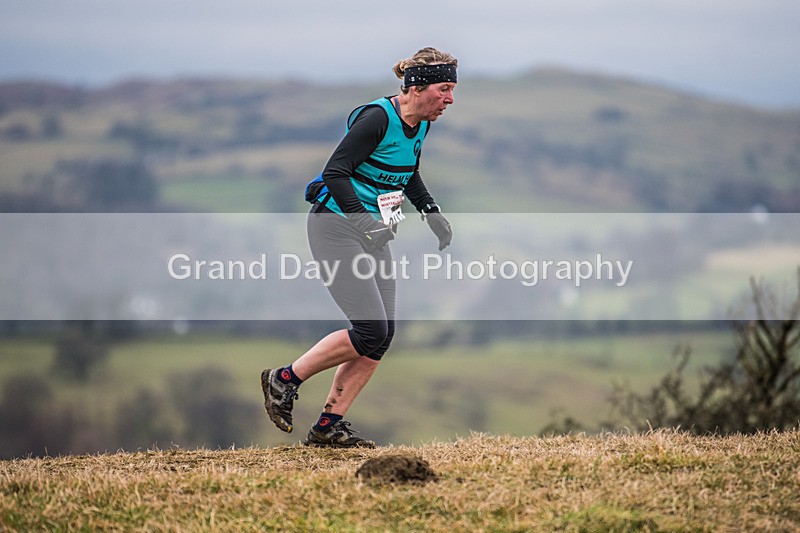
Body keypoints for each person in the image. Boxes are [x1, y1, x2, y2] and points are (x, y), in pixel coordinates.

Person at [261, 47, 457, 448]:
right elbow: (335, 172)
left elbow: (407, 172)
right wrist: (365, 223)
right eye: (444, 89)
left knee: (382, 336)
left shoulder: (421, 123)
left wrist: (430, 209)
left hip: (373, 233)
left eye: (452, 90)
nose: (450, 99)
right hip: (336, 228)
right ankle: (284, 378)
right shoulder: (376, 119)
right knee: (370, 330)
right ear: (416, 88)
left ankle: (327, 427)